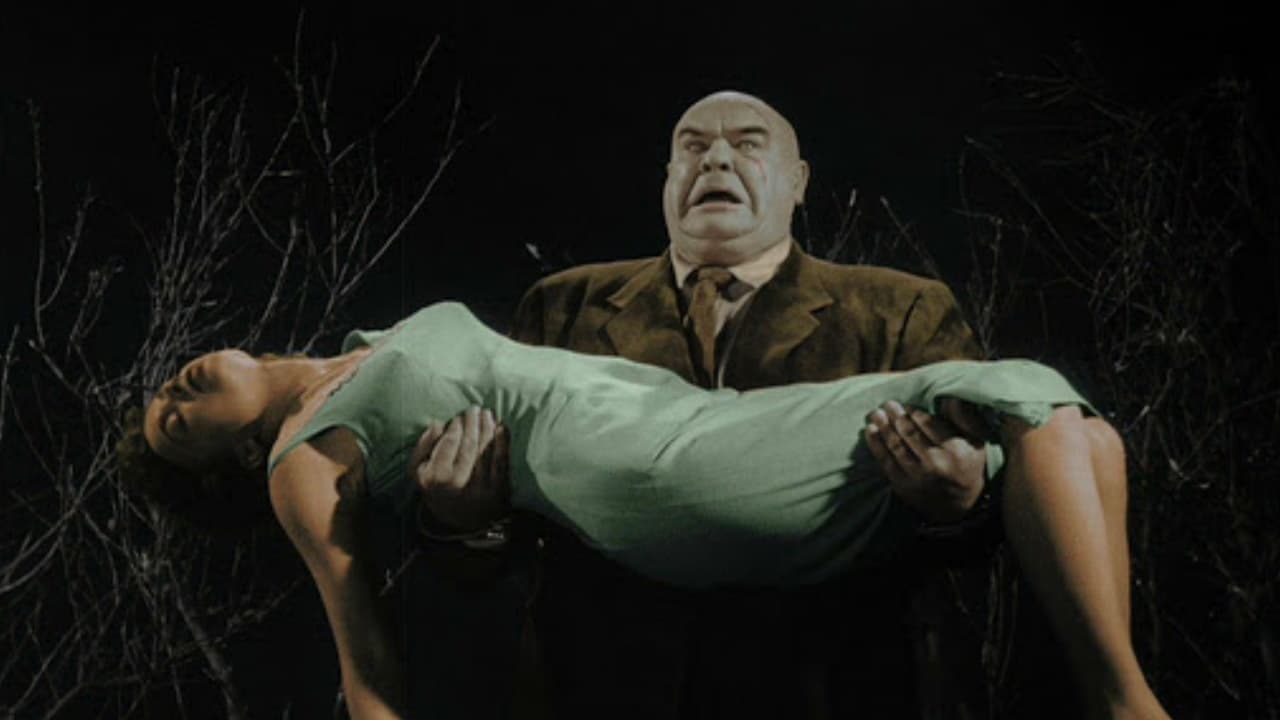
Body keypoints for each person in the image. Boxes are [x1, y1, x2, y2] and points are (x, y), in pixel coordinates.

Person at [118, 300, 1169, 720]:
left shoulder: (359, 345)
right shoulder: (301, 460)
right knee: (1022, 389)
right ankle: (1126, 706)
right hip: (641, 465)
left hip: (678, 415)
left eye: (160, 388)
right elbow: (369, 668)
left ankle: (1121, 701)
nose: (172, 391)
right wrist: (459, 524)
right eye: (173, 424)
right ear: (233, 461)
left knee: (1081, 435)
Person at [416, 89, 991, 718]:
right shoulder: (562, 308)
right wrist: (465, 521)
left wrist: (959, 506)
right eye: (692, 147)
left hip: (830, 689)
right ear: (668, 181)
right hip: (600, 690)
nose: (715, 159)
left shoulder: (899, 311)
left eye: (747, 144)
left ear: (798, 182)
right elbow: (496, 550)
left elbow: (987, 533)